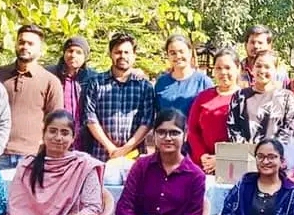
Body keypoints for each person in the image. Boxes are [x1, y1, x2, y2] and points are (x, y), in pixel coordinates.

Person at [0, 25, 64, 169]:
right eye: (21, 42)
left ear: (40, 49)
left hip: (32, 156)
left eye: (30, 44)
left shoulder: (50, 81)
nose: (25, 46)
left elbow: (56, 122)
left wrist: (44, 148)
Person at [83, 33, 156, 162]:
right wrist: (110, 148)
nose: (122, 56)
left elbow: (147, 121)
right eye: (118, 52)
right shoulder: (96, 83)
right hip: (101, 155)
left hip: (135, 156)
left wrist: (126, 148)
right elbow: (90, 117)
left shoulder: (145, 87)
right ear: (110, 54)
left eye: (127, 52)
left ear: (134, 55)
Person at [187, 48, 243, 173]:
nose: (223, 72)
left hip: (232, 166)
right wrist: (202, 156)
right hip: (202, 165)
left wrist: (220, 159)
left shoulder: (245, 98)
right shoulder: (203, 97)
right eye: (218, 68)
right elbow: (192, 130)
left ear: (238, 68)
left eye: (228, 68)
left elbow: (246, 136)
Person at [225, 50, 294, 144]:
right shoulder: (240, 96)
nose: (262, 70)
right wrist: (250, 152)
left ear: (275, 69)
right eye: (258, 66)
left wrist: (268, 152)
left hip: (276, 155)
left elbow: (288, 130)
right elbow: (233, 128)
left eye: (267, 67)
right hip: (245, 154)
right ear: (252, 69)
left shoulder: (287, 98)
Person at [46, 36, 95, 151]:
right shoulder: (50, 74)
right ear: (64, 53)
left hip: (82, 138)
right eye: (70, 51)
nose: (73, 55)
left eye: (79, 52)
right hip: (55, 135)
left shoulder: (93, 78)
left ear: (85, 57)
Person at [155, 35, 213, 118]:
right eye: (173, 53)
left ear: (190, 52)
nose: (178, 56)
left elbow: (210, 116)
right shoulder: (161, 83)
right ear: (168, 55)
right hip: (167, 130)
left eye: (181, 52)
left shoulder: (203, 82)